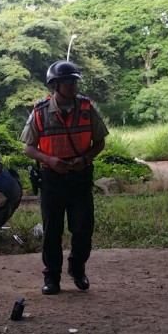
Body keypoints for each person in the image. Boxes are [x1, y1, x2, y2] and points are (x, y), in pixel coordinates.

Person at [20, 60, 108, 295]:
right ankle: (52, 278)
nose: (73, 85)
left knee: (83, 228)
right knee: (52, 231)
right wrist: (49, 160)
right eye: (68, 81)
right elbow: (29, 147)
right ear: (55, 85)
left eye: (74, 81)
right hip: (52, 180)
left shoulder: (87, 109)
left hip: (80, 179)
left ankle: (77, 269)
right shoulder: (39, 112)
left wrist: (86, 159)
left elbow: (100, 142)